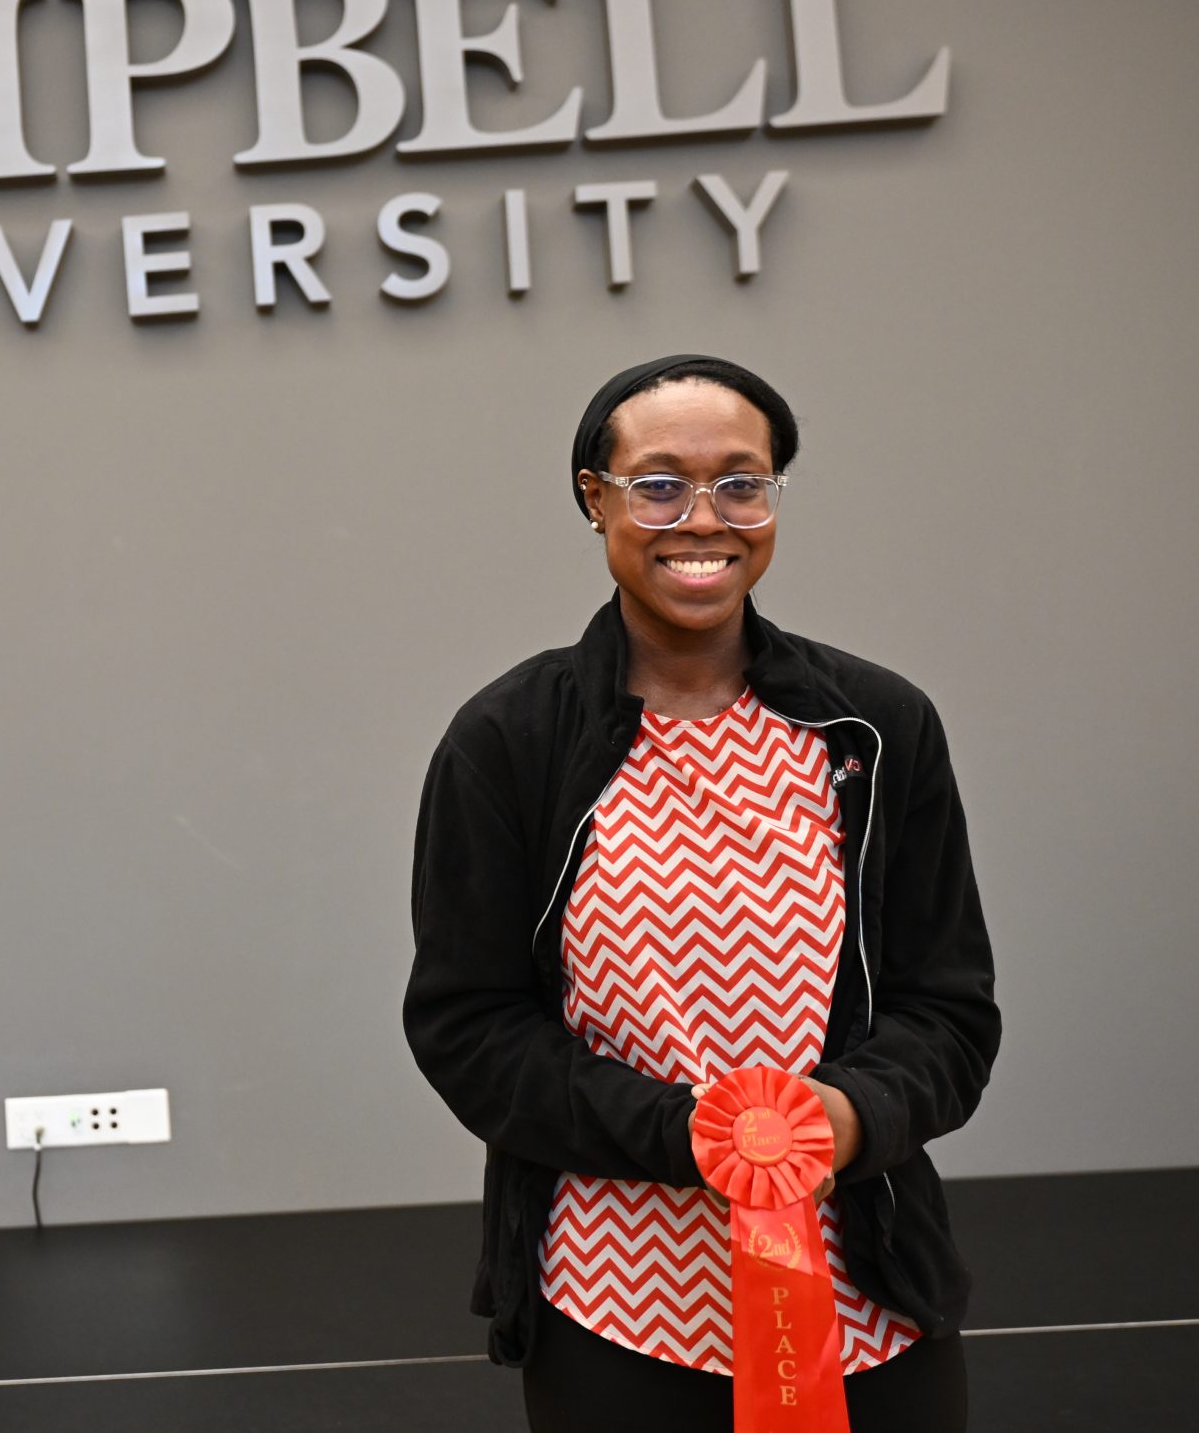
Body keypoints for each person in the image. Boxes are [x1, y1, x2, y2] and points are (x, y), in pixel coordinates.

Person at [402, 355, 998, 1431]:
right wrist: (692, 1135)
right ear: (594, 498)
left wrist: (844, 1119)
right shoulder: (508, 740)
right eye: (659, 484)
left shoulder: (877, 726)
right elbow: (470, 1029)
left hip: (871, 1297)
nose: (704, 518)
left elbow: (949, 1013)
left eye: (740, 482)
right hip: (615, 1309)